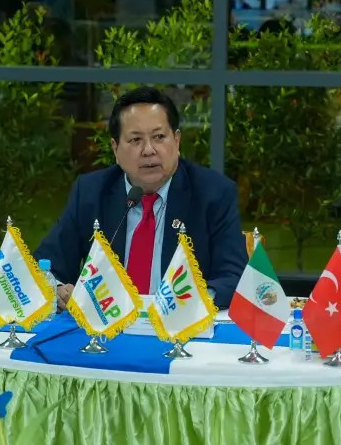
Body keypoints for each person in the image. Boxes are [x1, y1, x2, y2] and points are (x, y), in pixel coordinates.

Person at [35, 87, 248, 306]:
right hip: (107, 322)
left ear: (176, 141)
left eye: (159, 137)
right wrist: (57, 288)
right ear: (115, 149)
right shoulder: (91, 192)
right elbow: (46, 264)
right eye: (135, 140)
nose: (148, 150)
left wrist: (193, 303)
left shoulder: (213, 193)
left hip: (181, 323)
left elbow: (235, 277)